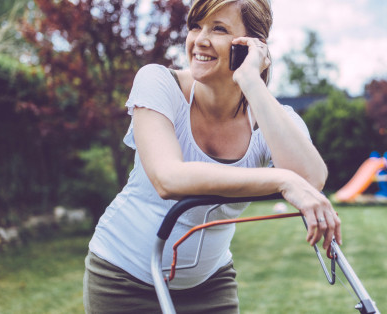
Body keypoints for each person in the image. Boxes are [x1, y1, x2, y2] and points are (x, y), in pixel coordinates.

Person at [83, 0, 341, 313]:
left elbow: (310, 179)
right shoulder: (159, 83)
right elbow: (168, 178)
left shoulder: (274, 118)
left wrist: (249, 81)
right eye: (195, 26)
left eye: (218, 29)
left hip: (210, 285)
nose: (199, 40)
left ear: (252, 46)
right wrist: (282, 179)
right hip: (124, 278)